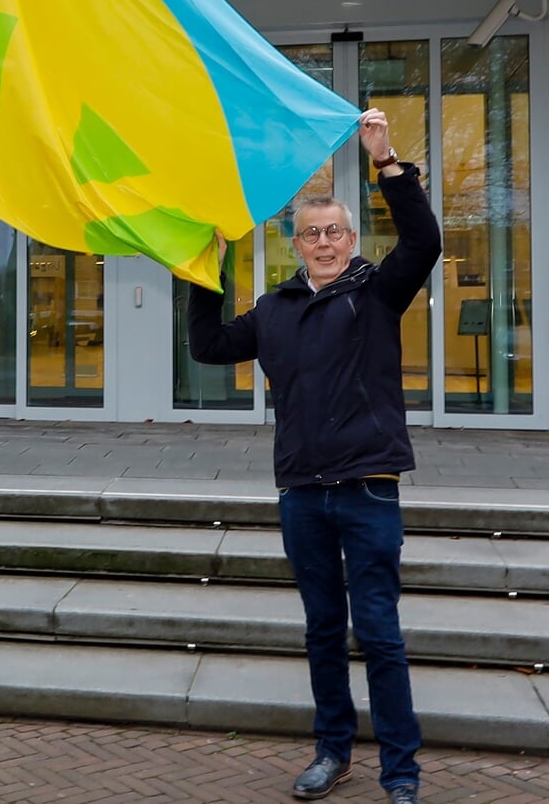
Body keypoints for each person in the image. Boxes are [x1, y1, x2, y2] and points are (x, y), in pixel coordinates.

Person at [185, 109, 442, 804]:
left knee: (380, 634)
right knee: (323, 631)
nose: (324, 243)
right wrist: (204, 264)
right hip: (301, 491)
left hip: (368, 487)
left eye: (334, 232)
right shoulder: (274, 309)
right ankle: (333, 753)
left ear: (351, 239)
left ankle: (401, 773)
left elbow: (422, 241)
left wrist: (389, 164)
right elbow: (207, 347)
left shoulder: (378, 294)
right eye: (311, 234)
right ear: (296, 244)